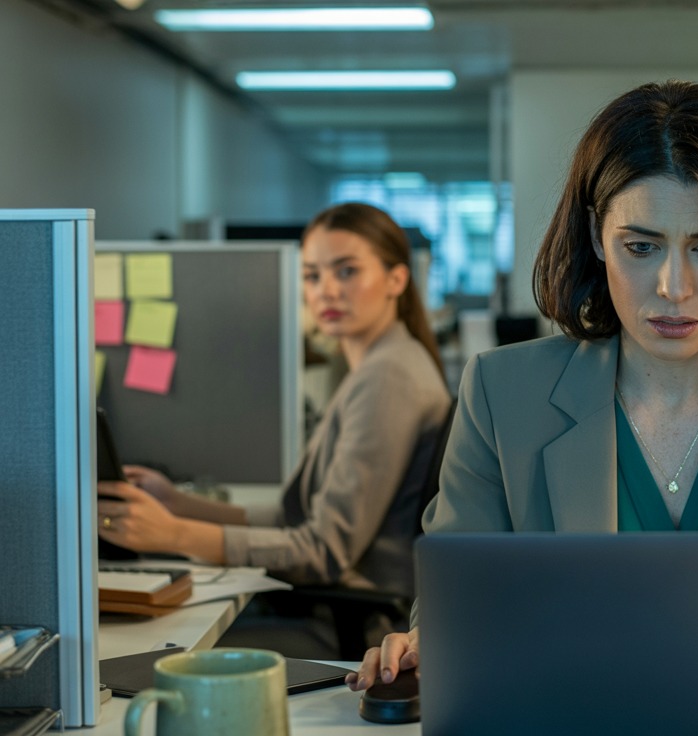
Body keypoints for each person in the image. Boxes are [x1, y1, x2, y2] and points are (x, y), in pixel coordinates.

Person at [348, 80, 698, 690]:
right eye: (642, 246)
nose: (673, 288)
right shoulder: (501, 391)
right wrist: (428, 643)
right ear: (599, 234)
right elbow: (458, 606)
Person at [97, 202, 452, 597]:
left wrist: (176, 534)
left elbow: (323, 551)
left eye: (347, 271)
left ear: (396, 280)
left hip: (349, 616)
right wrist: (177, 504)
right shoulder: (377, 367)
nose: (326, 290)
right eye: (312, 276)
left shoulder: (389, 377)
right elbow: (294, 516)